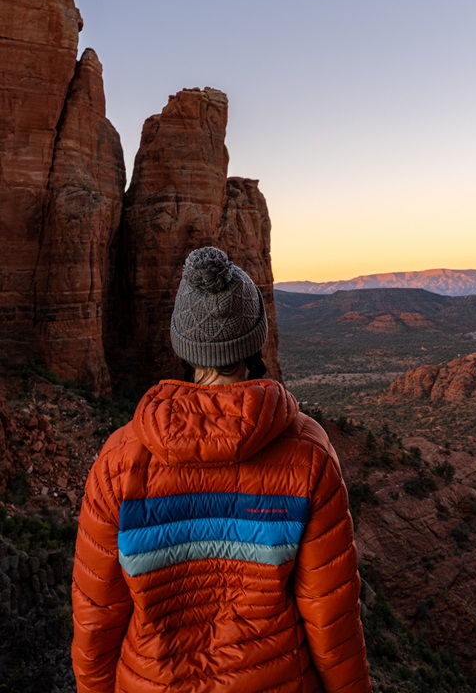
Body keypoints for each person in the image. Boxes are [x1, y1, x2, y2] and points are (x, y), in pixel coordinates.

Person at [71, 246, 372, 693]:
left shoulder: (119, 460)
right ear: (255, 340)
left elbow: (97, 617)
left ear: (183, 345)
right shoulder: (309, 455)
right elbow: (330, 615)